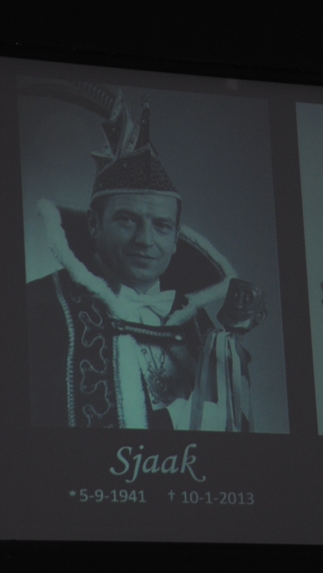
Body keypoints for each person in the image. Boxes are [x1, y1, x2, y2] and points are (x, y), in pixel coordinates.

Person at [26, 86, 239, 430]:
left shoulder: (199, 323)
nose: (145, 240)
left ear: (176, 238)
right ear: (94, 224)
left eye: (161, 226)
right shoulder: (36, 307)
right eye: (127, 220)